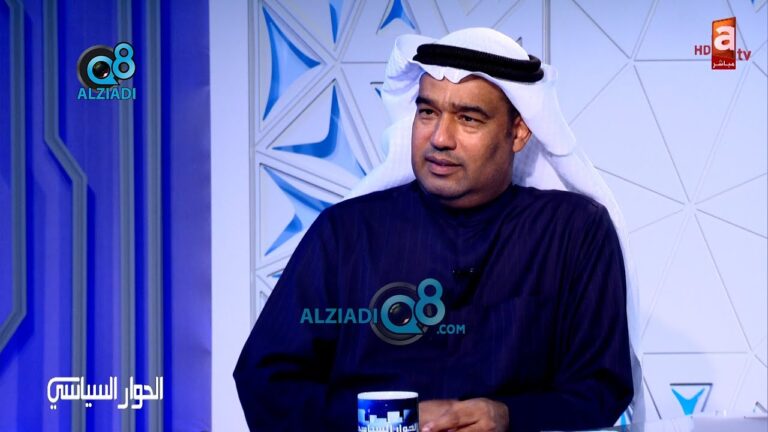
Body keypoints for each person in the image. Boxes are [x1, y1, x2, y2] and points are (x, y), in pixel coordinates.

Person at [235, 27, 642, 432]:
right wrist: (393, 421)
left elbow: (601, 387)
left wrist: (508, 416)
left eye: (468, 118)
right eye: (428, 112)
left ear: (519, 132)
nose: (440, 138)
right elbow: (266, 379)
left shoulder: (574, 232)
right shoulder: (345, 233)